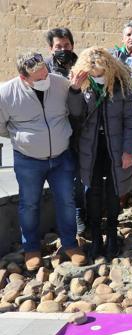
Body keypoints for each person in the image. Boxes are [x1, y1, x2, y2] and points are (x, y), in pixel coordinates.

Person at [0, 51, 86, 269]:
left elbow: (74, 111)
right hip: (28, 161)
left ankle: (69, 243)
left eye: (45, 74)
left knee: (66, 201)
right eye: (38, 79)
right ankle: (31, 249)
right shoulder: (6, 94)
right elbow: (1, 126)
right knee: (29, 205)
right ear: (23, 78)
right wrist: (22, 138)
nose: (45, 80)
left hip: (61, 157)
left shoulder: (59, 83)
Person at [68, 47, 132, 260]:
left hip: (114, 147)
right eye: (93, 72)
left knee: (114, 190)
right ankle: (96, 235)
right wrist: (75, 91)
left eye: (100, 71)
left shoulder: (122, 86)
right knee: (93, 190)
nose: (97, 75)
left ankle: (112, 234)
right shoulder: (84, 86)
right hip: (91, 147)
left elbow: (130, 122)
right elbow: (75, 114)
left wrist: (127, 151)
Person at [44, 27, 86, 235]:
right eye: (58, 46)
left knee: (78, 177)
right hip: (55, 132)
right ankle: (65, 220)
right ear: (51, 48)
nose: (63, 49)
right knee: (61, 179)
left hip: (79, 131)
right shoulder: (43, 70)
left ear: (72, 45)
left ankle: (79, 213)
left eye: (66, 45)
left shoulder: (82, 66)